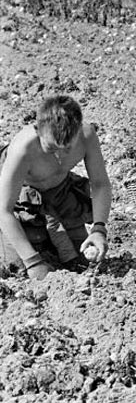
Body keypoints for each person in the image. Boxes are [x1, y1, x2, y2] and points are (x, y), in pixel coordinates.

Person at [0, 95, 112, 280]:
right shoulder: (23, 148)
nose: (60, 156)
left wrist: (99, 229)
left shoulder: (87, 136)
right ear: (38, 131)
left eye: (68, 148)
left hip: (59, 192)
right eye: (52, 149)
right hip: (18, 197)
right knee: (17, 270)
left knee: (79, 262)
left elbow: (100, 184)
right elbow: (4, 210)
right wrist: (32, 261)